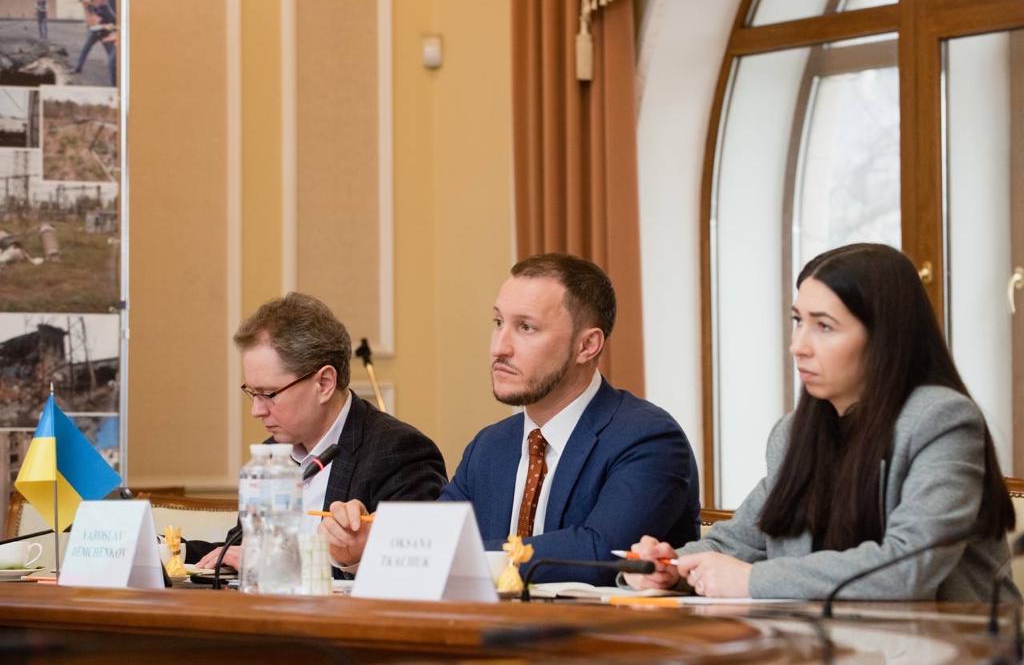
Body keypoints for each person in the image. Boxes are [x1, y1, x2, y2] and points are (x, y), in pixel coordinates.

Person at [625, 243, 1016, 601]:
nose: (798, 346)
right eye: (798, 321)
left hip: (951, 644)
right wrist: (667, 567)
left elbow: (909, 566)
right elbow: (737, 544)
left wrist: (751, 580)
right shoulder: (793, 434)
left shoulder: (942, 421)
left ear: (884, 337)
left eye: (824, 326)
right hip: (824, 641)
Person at [320, 253, 701, 584]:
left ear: (587, 345)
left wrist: (448, 554)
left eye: (526, 327)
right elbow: (431, 538)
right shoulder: (490, 446)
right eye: (498, 322)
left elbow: (599, 554)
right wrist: (366, 544)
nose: (499, 347)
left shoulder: (647, 439)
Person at [187, 292, 448, 575]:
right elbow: (240, 550)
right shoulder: (272, 456)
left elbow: (412, 574)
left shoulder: (400, 453)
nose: (256, 410)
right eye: (252, 393)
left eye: (268, 394)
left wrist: (284, 564)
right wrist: (174, 550)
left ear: (324, 383)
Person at [72, 0, 117, 86]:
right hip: (96, 32)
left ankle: (116, 77)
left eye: (84, 0)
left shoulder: (103, 7)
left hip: (105, 32)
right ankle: (78, 68)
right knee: (85, 50)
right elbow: (90, 22)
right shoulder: (92, 5)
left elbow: (94, 21)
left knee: (111, 56)